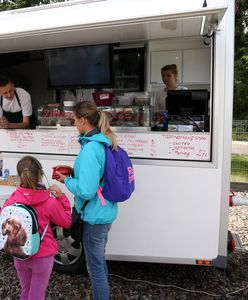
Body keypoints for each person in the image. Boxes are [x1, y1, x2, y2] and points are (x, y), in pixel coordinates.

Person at [55, 101, 118, 300]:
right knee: (99, 262)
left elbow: (87, 190)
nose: (74, 124)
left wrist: (67, 180)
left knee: (95, 268)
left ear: (82, 120)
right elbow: (97, 177)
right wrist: (75, 172)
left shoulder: (91, 149)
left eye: (74, 120)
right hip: (104, 211)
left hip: (94, 216)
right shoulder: (103, 141)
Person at [0, 155, 71, 300]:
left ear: (20, 177)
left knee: (25, 292)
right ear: (40, 175)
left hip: (19, 253)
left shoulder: (13, 198)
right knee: (37, 295)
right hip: (42, 256)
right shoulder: (50, 202)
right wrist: (62, 197)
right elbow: (66, 222)